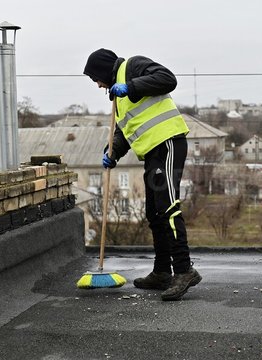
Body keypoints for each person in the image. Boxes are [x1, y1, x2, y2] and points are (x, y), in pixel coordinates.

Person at [83, 48, 202, 301]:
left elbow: (168, 79)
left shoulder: (134, 66)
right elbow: (124, 132)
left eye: (96, 78)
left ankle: (184, 271)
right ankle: (162, 272)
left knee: (168, 207)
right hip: (152, 152)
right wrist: (112, 151)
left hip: (169, 143)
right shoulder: (117, 100)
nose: (97, 85)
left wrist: (131, 86)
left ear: (104, 70)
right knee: (155, 213)